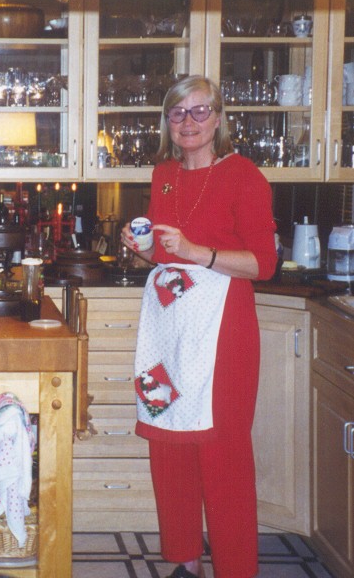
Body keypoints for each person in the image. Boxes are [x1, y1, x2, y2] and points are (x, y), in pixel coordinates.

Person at [121, 75, 278, 578]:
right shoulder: (163, 174)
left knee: (223, 449)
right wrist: (144, 247)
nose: (188, 122)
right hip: (169, 325)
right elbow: (161, 256)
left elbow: (264, 263)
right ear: (166, 121)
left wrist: (197, 252)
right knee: (170, 440)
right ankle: (184, 561)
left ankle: (235, 568)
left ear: (218, 118)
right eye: (177, 112)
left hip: (224, 329)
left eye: (199, 111)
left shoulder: (243, 175)